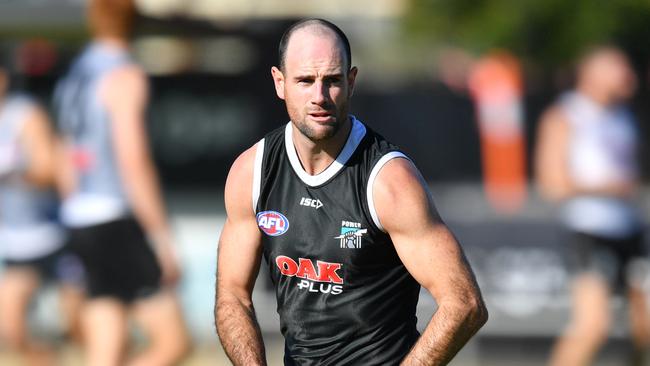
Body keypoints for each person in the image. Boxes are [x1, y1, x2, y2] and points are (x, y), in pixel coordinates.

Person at [215, 18, 488, 365]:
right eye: (305, 81)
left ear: (352, 81)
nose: (319, 97)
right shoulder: (252, 172)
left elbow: (464, 303)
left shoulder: (388, 181)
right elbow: (232, 296)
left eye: (332, 81)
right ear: (279, 83)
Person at [53, 0, 189, 365]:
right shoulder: (125, 75)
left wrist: (74, 214)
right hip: (115, 216)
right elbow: (133, 159)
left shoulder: (75, 75)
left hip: (81, 215)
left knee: (106, 346)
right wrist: (161, 238)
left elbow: (64, 156)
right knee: (173, 341)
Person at [536, 46, 649, 366]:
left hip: (629, 227)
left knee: (645, 329)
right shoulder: (565, 116)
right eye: (619, 68)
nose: (629, 75)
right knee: (593, 327)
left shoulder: (624, 115)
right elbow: (552, 184)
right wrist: (610, 188)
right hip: (587, 229)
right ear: (592, 74)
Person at [0, 64, 83, 365]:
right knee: (12, 330)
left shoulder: (24, 115)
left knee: (79, 327)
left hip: (54, 236)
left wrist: (16, 170)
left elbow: (50, 170)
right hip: (18, 243)